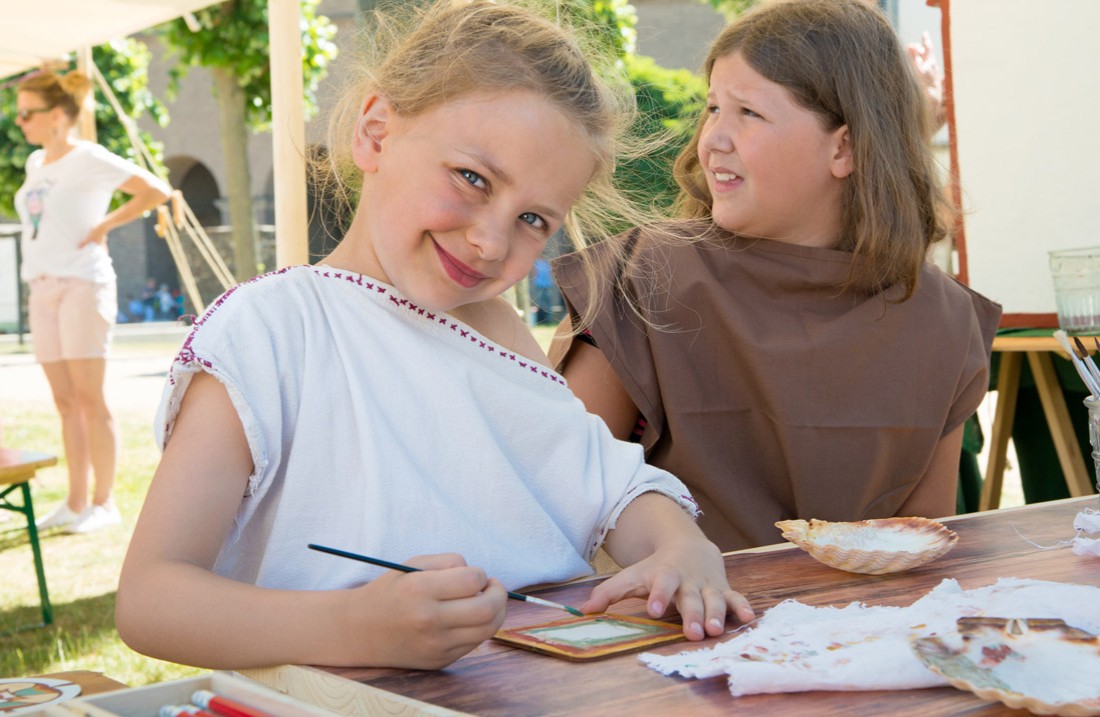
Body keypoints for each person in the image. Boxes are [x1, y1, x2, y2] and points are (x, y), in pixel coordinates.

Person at [115, 0, 754, 672]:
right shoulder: (270, 329)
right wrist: (354, 627)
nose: (490, 240)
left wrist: (681, 544)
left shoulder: (497, 330)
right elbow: (152, 598)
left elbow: (609, 490)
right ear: (376, 132)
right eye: (472, 178)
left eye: (534, 218)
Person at [550, 0, 1002, 552]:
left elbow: (917, 543)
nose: (712, 138)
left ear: (846, 147)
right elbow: (561, 494)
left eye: (748, 113)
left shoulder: (944, 318)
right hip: (674, 624)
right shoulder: (641, 276)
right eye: (712, 108)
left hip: (856, 631)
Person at [14, 70, 170, 534]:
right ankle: (75, 501)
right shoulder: (36, 163)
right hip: (42, 288)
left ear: (57, 116)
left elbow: (155, 190)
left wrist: (103, 227)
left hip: (83, 284)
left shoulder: (89, 158)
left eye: (27, 112)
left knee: (89, 398)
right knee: (64, 402)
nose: (19, 121)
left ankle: (104, 504)